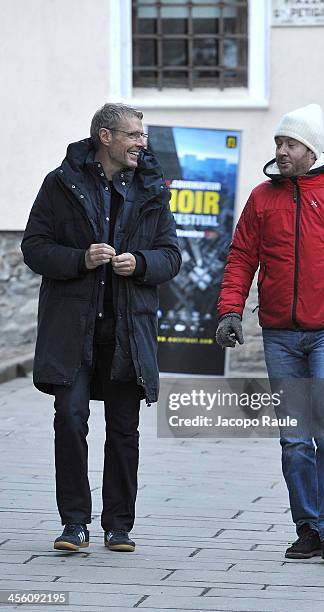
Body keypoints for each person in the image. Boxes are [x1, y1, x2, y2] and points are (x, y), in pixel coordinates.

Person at [216, 104, 324, 562]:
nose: (281, 150)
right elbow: (240, 258)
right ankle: (308, 528)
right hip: (279, 336)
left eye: (289, 143)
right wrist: (230, 311)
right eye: (278, 142)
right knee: (294, 437)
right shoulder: (261, 197)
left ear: (311, 149)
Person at [21, 103, 181, 553]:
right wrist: (80, 259)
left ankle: (118, 526)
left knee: (123, 429)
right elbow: (34, 247)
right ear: (105, 137)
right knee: (69, 420)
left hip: (128, 331)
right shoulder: (60, 183)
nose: (141, 143)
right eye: (133, 135)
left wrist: (142, 263)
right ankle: (74, 523)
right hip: (72, 329)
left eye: (142, 136)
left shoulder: (151, 188)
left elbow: (171, 255)